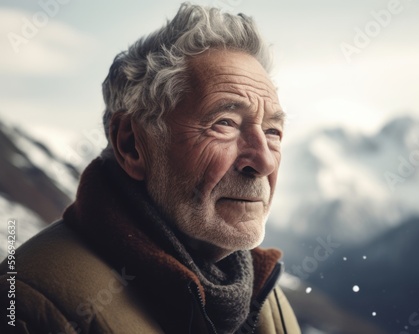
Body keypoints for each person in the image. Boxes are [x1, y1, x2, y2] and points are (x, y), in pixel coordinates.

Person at [0, 3, 300, 333]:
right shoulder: (31, 306)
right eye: (224, 123)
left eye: (273, 131)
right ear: (131, 145)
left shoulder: (262, 295)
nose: (264, 161)